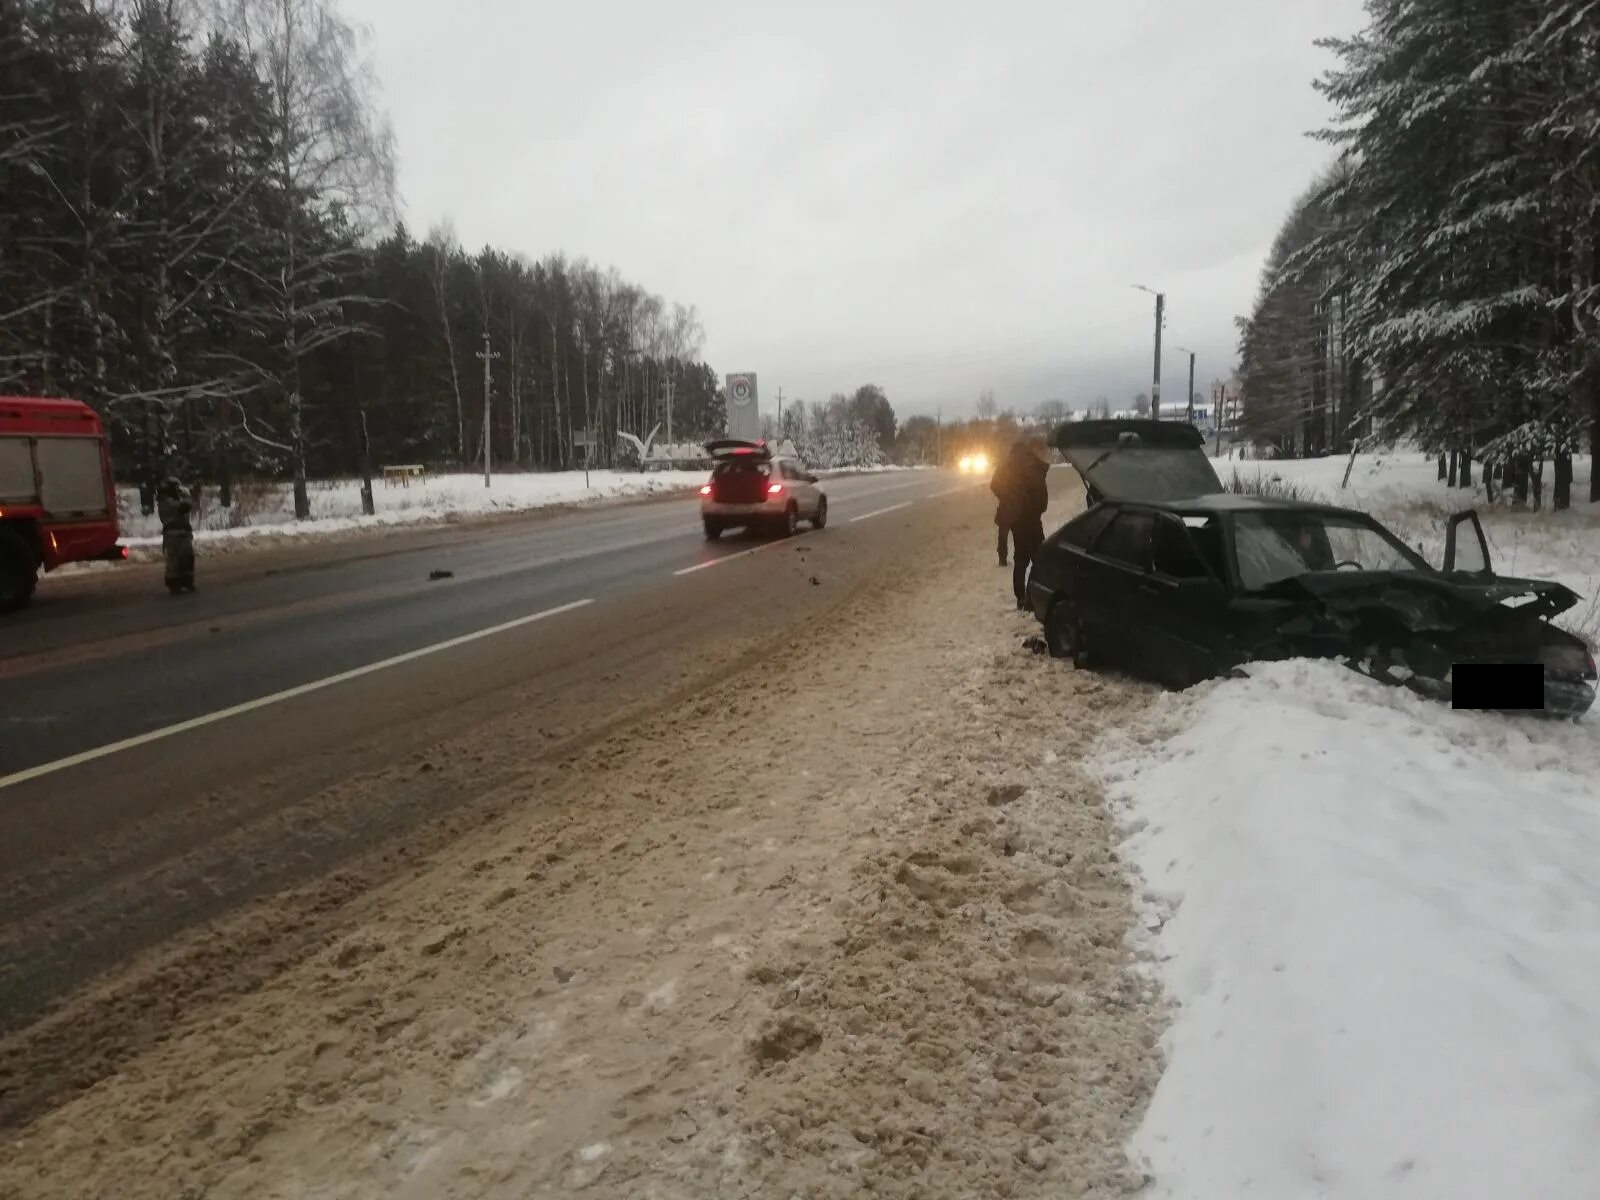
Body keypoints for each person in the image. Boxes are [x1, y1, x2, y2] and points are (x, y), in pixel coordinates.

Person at [991, 441, 1049, 610]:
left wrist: (1009, 499)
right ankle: (1031, 597)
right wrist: (1033, 507)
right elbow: (1042, 499)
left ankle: (1021, 598)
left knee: (1020, 559)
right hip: (1032, 520)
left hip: (1016, 519)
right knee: (1039, 559)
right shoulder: (1035, 467)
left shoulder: (1007, 467)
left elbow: (994, 485)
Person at [157, 477, 196, 594]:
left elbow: (186, 506)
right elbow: (184, 507)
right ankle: (174, 584)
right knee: (174, 560)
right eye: (176, 488)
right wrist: (186, 496)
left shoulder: (173, 499)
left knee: (187, 558)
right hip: (173, 535)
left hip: (183, 533)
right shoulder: (165, 501)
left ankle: (187, 581)